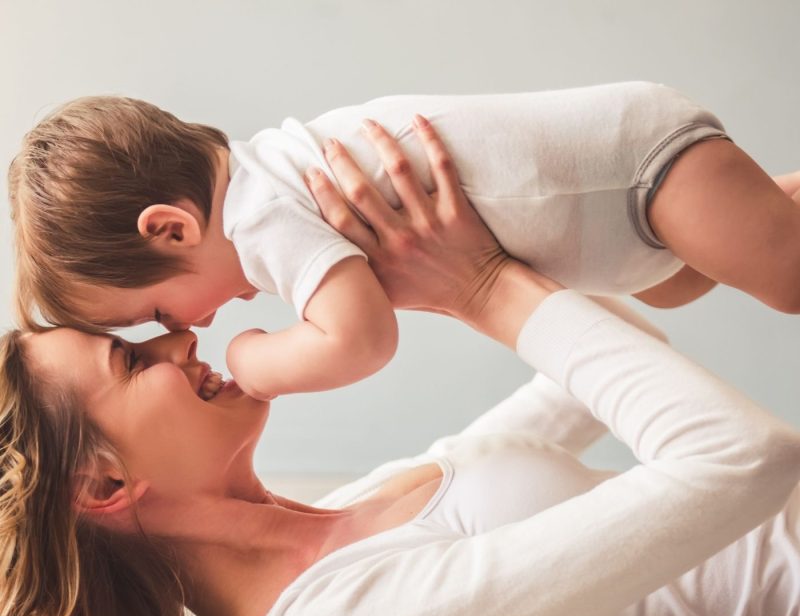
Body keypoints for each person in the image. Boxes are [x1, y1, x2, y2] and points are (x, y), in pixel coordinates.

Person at [2, 121, 800, 616]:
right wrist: (478, 287)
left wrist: (421, 245)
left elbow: (600, 364)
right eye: (130, 360)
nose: (181, 338)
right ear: (102, 484)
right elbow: (747, 459)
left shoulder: (354, 507)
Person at [8, 84, 800, 402]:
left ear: (170, 228)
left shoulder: (258, 213)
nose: (194, 327)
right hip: (626, 223)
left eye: (158, 310)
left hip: (641, 174)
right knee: (690, 278)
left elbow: (360, 339)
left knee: (788, 278)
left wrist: (255, 363)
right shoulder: (273, 177)